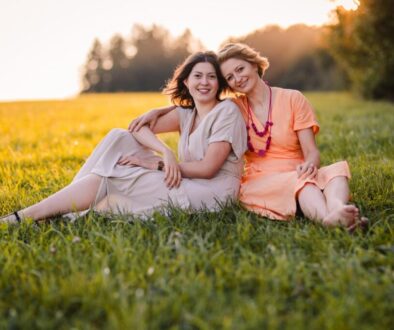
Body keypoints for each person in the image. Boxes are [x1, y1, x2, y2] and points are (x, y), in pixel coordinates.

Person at [129, 43, 367, 231]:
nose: (237, 78)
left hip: (298, 167)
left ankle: (338, 208)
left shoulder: (293, 98)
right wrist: (157, 111)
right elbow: (192, 107)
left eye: (240, 69)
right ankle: (328, 218)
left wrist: (310, 165)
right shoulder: (233, 109)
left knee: (335, 174)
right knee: (303, 186)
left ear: (254, 64)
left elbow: (311, 151)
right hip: (260, 178)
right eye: (230, 77)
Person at [0, 51, 247, 224]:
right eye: (198, 76)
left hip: (212, 191)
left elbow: (208, 169)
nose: (205, 82)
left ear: (219, 84)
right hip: (184, 178)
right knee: (119, 137)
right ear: (186, 81)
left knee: (115, 173)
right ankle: (61, 207)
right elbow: (135, 128)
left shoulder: (226, 112)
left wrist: (157, 164)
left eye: (211, 77)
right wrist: (165, 151)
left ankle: (25, 216)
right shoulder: (186, 114)